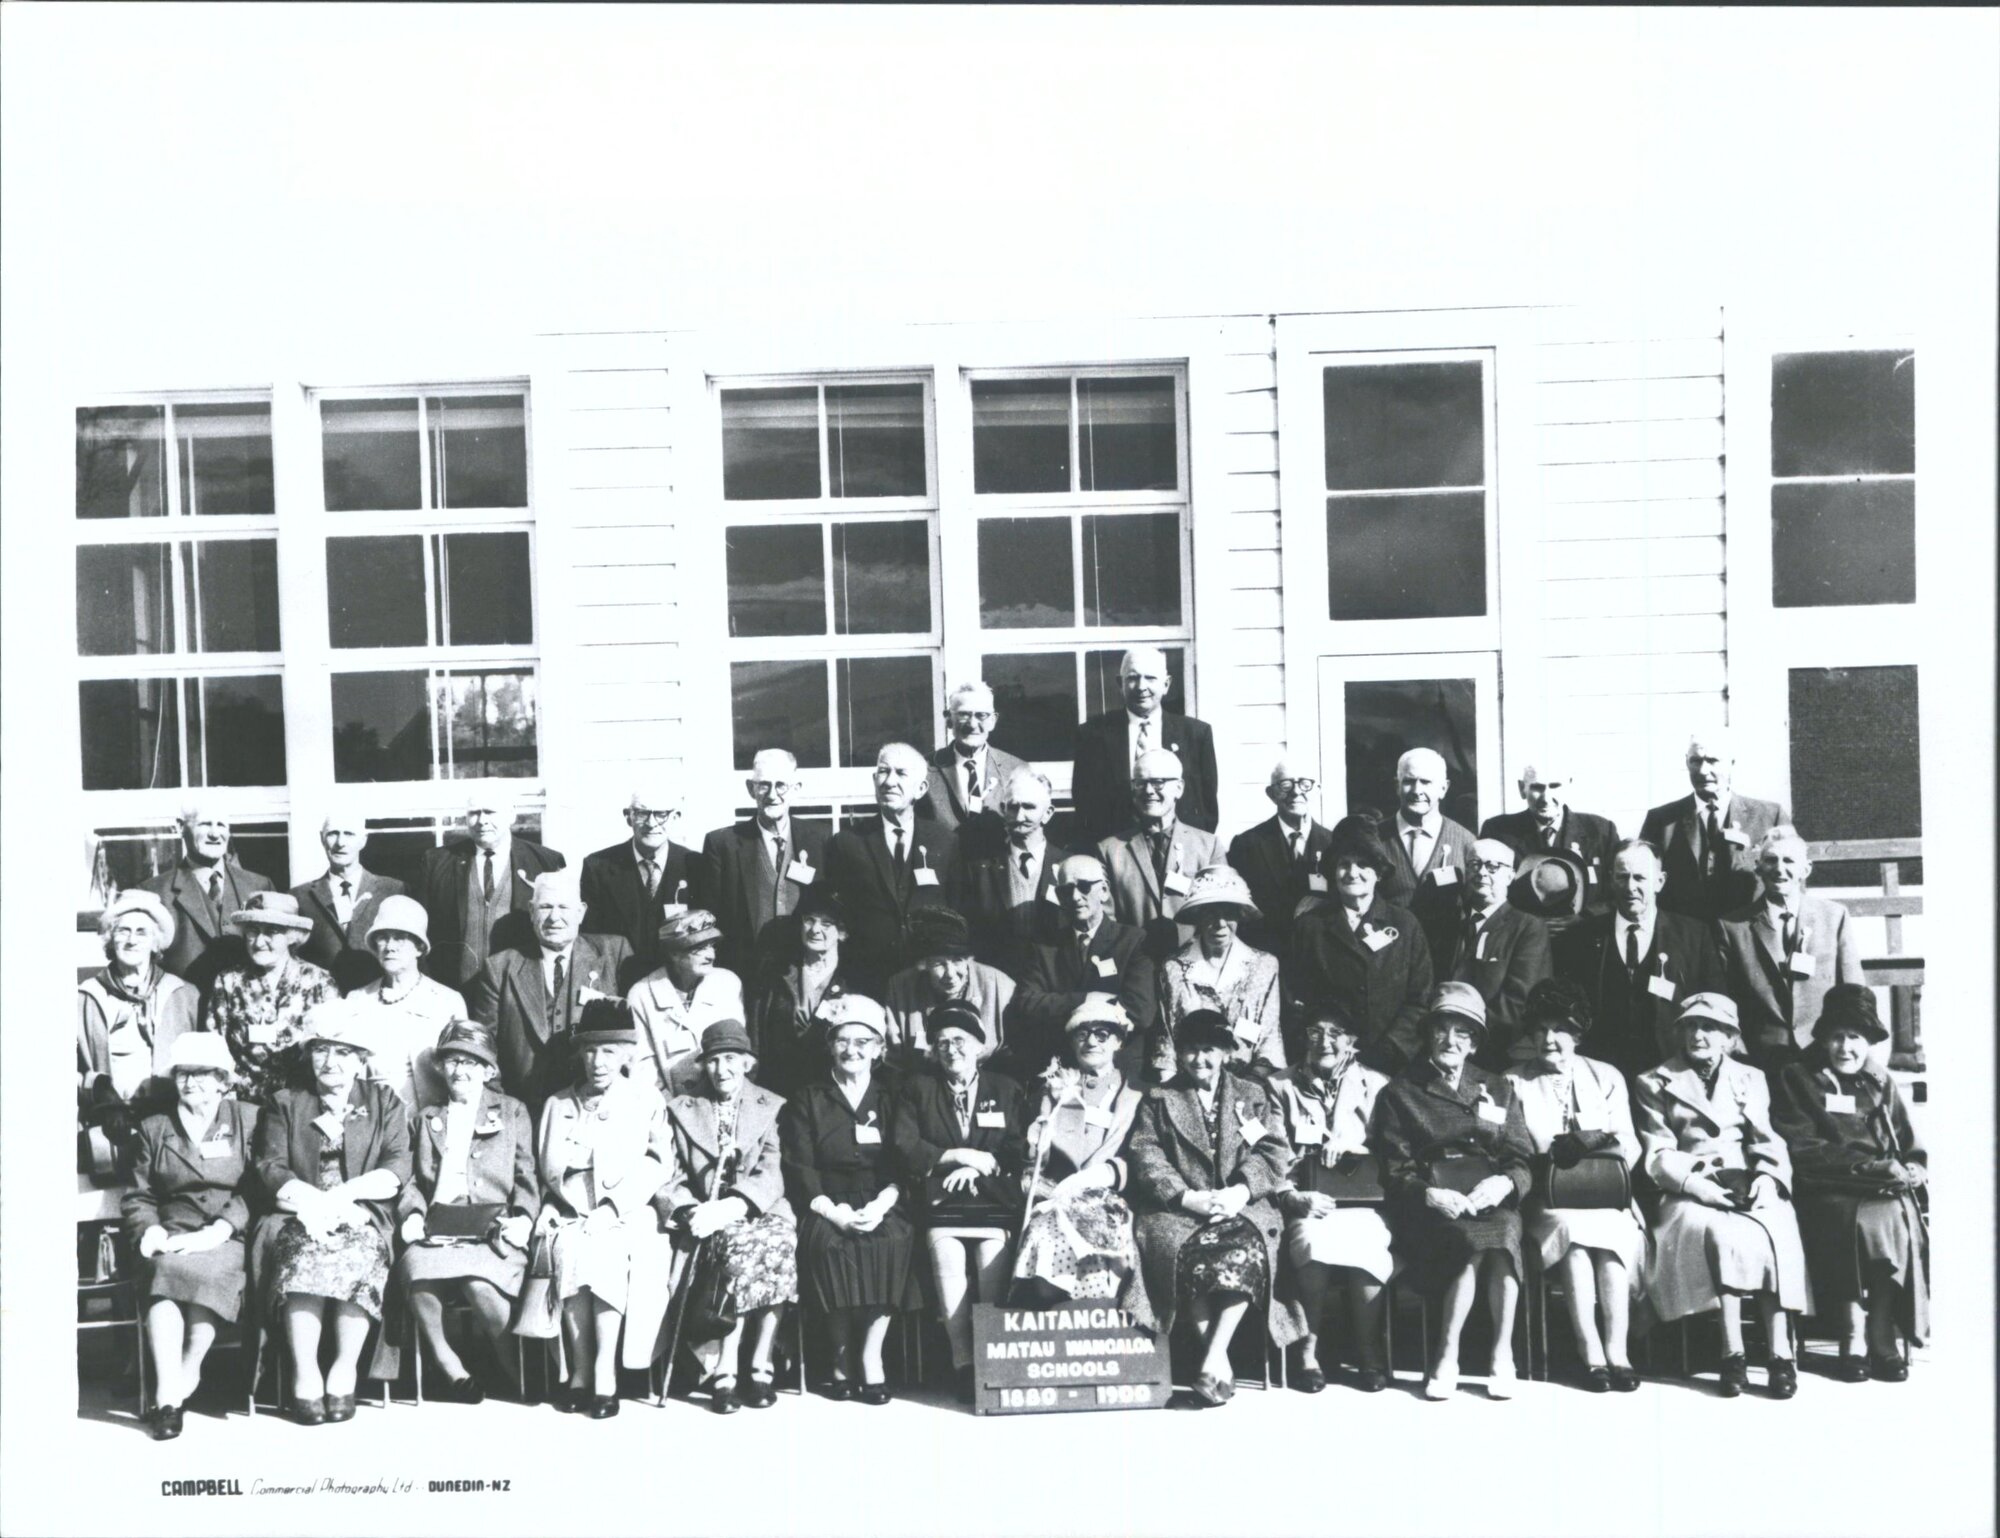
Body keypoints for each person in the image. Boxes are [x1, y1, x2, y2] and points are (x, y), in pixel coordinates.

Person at [1634, 993, 1808, 1400]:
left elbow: (1766, 1140)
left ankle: (1780, 1354)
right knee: (1716, 1233)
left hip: (1746, 1183)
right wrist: (1699, 1186)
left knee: (1775, 1227)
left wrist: (1768, 1179)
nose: (1698, 1035)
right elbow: (1657, 1152)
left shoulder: (1751, 1078)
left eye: (1710, 1027)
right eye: (1691, 1026)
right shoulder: (1654, 1080)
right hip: (1689, 1191)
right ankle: (1733, 1353)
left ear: (1730, 1038)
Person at [250, 1001, 410, 1426]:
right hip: (296, 1211)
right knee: (302, 1255)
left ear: (361, 1060)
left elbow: (396, 1165)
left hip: (362, 1212)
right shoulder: (288, 1101)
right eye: (321, 1049)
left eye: (343, 1052)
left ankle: (343, 1370)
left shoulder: (384, 1101)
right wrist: (314, 1203)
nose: (330, 1061)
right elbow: (270, 1166)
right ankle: (305, 1372)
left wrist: (346, 1198)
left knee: (359, 1253)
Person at [1128, 1010, 1297, 1409]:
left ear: (1224, 1052)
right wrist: (1187, 1197)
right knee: (1184, 1257)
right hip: (1181, 1210)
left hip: (1243, 1206)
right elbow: (1145, 1153)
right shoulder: (1159, 1098)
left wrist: (1240, 1191)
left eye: (1208, 1050)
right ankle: (1218, 1361)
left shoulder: (1252, 1094)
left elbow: (1273, 1150)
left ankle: (1212, 1357)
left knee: (1245, 1252)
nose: (1198, 1059)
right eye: (1189, 1051)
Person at [1374, 984, 1534, 1401]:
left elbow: (1520, 1157)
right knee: (1468, 1241)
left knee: (1502, 1236)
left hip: (1491, 1198)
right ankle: (1448, 1353)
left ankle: (1502, 1354)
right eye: (1442, 1030)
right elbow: (1395, 1168)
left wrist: (1505, 1183)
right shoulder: (1400, 1091)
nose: (1450, 1041)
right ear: (1428, 1036)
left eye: (1462, 1033)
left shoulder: (1498, 1087)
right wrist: (1430, 1195)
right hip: (1432, 1205)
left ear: (1475, 1042)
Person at [524, 1000, 678, 1420]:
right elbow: (542, 1168)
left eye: (609, 1050)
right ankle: (577, 1373)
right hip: (570, 1209)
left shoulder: (644, 1099)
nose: (598, 1061)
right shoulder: (558, 1103)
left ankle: (603, 1371)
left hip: (627, 1210)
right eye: (590, 1050)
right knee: (568, 1250)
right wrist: (550, 1206)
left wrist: (614, 1206)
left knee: (606, 1252)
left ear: (628, 1054)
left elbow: (658, 1163)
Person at [1770, 985, 1927, 1382]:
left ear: (1868, 1041)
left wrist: (1913, 1165)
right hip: (1828, 1187)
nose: (1845, 1047)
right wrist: (1872, 1169)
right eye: (1836, 1036)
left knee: (1894, 1218)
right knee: (1852, 1223)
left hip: (1882, 1190)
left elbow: (1907, 1141)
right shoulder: (1798, 1077)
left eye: (1854, 1037)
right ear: (1823, 1038)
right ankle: (1853, 1334)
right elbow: (1804, 1148)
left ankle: (1881, 1331)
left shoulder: (1879, 1080)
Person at [374, 1021, 537, 1402]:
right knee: (417, 1273)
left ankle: (516, 1369)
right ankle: (449, 1366)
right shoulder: (428, 1117)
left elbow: (526, 1173)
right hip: (438, 1225)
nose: (460, 1071)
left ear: (488, 1071)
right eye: (452, 1061)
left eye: (470, 1062)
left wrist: (524, 1218)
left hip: (494, 1227)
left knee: (478, 1285)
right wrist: (412, 1214)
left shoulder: (512, 1112)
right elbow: (412, 1180)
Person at [779, 995, 921, 1405]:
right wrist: (834, 1212)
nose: (852, 1050)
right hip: (825, 1201)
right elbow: (799, 1166)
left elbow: (901, 1161)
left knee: (891, 1241)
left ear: (879, 1049)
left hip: (883, 1200)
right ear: (830, 1044)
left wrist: (880, 1206)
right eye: (843, 1040)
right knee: (830, 1246)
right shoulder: (809, 1097)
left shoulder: (892, 1095)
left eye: (863, 1042)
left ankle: (870, 1356)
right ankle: (840, 1358)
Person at [1505, 980, 1645, 1393]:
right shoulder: (1513, 1081)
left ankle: (1619, 1352)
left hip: (1604, 1194)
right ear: (1530, 1035)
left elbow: (1630, 1140)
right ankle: (1592, 1353)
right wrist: (1552, 1152)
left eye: (1561, 1029)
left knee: (1615, 1235)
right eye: (1542, 1030)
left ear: (1578, 1034)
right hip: (1547, 1197)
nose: (1550, 1039)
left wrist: (1597, 1142)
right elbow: (1512, 1144)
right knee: (1575, 1237)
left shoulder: (1606, 1075)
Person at [120, 1032, 260, 1440]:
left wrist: (221, 1228)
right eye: (183, 1073)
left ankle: (187, 1372)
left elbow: (257, 1187)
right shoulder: (154, 1127)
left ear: (222, 1079)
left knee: (208, 1276)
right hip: (173, 1232)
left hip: (227, 1234)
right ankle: (169, 1397)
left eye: (202, 1073)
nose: (191, 1081)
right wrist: (150, 1229)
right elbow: (138, 1195)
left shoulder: (248, 1118)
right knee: (163, 1278)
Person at [891, 1001, 1029, 1404]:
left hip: (990, 1203)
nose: (952, 1049)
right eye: (943, 1042)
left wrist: (979, 1167)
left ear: (979, 1045)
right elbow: (905, 1144)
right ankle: (962, 1362)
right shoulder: (918, 1088)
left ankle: (991, 1359)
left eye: (961, 1040)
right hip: (941, 1205)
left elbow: (1016, 1148)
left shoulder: (1005, 1088)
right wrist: (958, 1156)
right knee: (948, 1259)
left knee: (991, 1258)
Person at [659, 1020, 798, 1414]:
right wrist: (690, 1211)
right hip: (705, 1213)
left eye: (731, 1059)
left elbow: (772, 1171)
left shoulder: (769, 1106)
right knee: (735, 1246)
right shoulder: (683, 1108)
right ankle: (726, 1366)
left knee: (780, 1241)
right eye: (715, 1061)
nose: (723, 1069)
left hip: (758, 1208)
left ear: (747, 1063)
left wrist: (735, 1205)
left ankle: (760, 1363)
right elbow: (671, 1176)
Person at [1269, 1007, 1397, 1394]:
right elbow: (1270, 1151)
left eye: (1336, 1033)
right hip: (1305, 1197)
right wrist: (1292, 1196)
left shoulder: (1376, 1085)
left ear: (1352, 1042)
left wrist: (1356, 1146)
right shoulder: (1280, 1085)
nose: (1324, 1041)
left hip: (1362, 1199)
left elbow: (1393, 1148)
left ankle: (1368, 1351)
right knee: (1312, 1240)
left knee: (1369, 1243)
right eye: (1315, 1031)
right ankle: (1308, 1351)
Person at [1008, 998, 1155, 1331]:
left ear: (1118, 1042)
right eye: (1082, 1034)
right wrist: (1037, 1147)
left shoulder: (1137, 1095)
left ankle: (1092, 1339)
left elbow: (1144, 1156)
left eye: (1102, 1034)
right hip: (1057, 1196)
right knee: (1048, 1272)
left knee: (1104, 1260)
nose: (1091, 1042)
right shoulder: (1055, 1089)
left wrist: (1108, 1173)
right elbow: (1037, 1159)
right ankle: (1070, 1340)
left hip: (1112, 1197)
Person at [1551, 839, 1725, 1082]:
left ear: (1660, 882)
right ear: (1611, 879)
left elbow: (1714, 1005)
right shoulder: (1582, 938)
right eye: (1622, 877)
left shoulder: (1694, 936)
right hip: (1599, 1075)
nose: (1630, 887)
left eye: (1640, 878)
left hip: (1674, 1074)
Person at [466, 870, 631, 1116]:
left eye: (564, 907)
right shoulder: (500, 967)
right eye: (545, 907)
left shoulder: (613, 953)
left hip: (598, 1107)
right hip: (523, 1109)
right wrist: (505, 1106)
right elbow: (484, 1046)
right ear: (531, 912)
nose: (555, 918)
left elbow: (635, 1036)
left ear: (581, 912)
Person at [1289, 812, 1433, 1075]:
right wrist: (1326, 1047)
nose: (1352, 873)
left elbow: (1420, 1000)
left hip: (1392, 1063)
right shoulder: (1311, 926)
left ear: (1378, 873)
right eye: (1344, 864)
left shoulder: (1404, 924)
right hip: (1327, 1059)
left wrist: (1389, 1050)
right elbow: (1297, 998)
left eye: (1363, 864)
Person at [1718, 827, 1864, 1071]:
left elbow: (1855, 996)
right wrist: (1740, 1056)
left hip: (1823, 1055)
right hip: (1760, 1059)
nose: (1779, 869)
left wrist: (1846, 1051)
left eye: (1789, 861)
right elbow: (1726, 1000)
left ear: (1805, 869)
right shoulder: (1733, 927)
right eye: (1771, 860)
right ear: (1758, 867)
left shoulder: (1834, 917)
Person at [822, 742, 959, 995]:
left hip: (927, 981)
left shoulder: (945, 841)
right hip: (867, 979)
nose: (889, 781)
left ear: (921, 788)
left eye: (901, 773)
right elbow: (836, 913)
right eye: (883, 772)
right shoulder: (847, 843)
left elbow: (956, 908)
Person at [1006, 854, 1157, 1080]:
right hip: (1064, 1067)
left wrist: (1061, 1005)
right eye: (1066, 891)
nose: (1076, 897)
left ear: (1104, 891)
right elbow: (1027, 1003)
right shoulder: (1045, 948)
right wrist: (1087, 998)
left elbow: (1141, 1010)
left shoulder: (1133, 941)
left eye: (1084, 887)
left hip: (1121, 1068)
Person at [413, 791, 567, 988]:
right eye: (474, 813)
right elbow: (419, 931)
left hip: (521, 991)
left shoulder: (545, 862)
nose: (482, 821)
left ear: (511, 815)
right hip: (454, 989)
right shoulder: (437, 862)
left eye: (490, 812)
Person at [697, 749, 829, 977]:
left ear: (796, 789)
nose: (772, 794)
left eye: (781, 785)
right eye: (764, 785)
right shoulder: (722, 844)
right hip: (746, 973)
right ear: (751, 789)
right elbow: (712, 918)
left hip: (806, 970)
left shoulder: (820, 838)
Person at [79, 891, 201, 1130]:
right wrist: (99, 1091)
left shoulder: (184, 994)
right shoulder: (85, 997)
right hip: (105, 1122)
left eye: (141, 932)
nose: (131, 940)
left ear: (156, 942)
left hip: (170, 1121)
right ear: (110, 940)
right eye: (123, 931)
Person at [1070, 645, 1219, 842]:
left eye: (1150, 678)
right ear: (1119, 683)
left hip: (1180, 850)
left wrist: (1194, 849)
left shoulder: (1196, 734)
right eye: (1132, 678)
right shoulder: (1092, 735)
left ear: (1166, 684)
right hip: (1115, 851)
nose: (1141, 687)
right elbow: (1083, 803)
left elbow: (1208, 806)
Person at [201, 892, 337, 1106]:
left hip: (301, 1105)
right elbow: (214, 1048)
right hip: (243, 1106)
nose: (259, 941)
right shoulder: (228, 982)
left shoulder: (318, 982)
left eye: (271, 932)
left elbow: (332, 1051)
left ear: (292, 936)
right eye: (253, 931)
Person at [1639, 730, 1787, 921]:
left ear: (1731, 763)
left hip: (1748, 936)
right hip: (1685, 939)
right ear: (1686, 762)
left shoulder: (1769, 816)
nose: (1703, 770)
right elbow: (1644, 883)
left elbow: (1792, 883)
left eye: (1712, 761)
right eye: (1696, 761)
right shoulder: (1660, 821)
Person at [1431, 838, 1553, 1065]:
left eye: (1493, 866)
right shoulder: (1445, 923)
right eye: (1475, 864)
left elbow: (1519, 1002)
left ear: (1511, 875)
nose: (1482, 872)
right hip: (1440, 1047)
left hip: (1495, 1054)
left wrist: (1465, 1038)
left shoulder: (1527, 927)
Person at [1097, 747, 1225, 960]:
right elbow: (1106, 921)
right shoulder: (1109, 850)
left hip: (1196, 965)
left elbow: (1220, 911)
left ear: (1179, 788)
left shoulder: (1208, 846)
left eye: (1158, 782)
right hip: (1135, 969)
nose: (1148, 791)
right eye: (1140, 783)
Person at [1158, 864, 1285, 1077]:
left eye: (1229, 913)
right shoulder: (1174, 967)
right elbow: (1165, 1043)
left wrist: (1248, 1090)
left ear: (1241, 916)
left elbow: (1270, 1042)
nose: (1220, 924)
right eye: (1211, 914)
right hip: (1186, 1083)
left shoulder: (1264, 965)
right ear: (1197, 916)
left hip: (1247, 1083)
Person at [350, 895, 468, 1113]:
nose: (390, 946)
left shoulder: (447, 1001)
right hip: (371, 1122)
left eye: (400, 938)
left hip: (427, 1122)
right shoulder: (357, 999)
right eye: (383, 937)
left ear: (420, 948)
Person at [140, 800, 275, 990]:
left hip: (249, 1011)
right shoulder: (154, 892)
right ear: (180, 827)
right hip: (186, 1013)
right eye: (205, 824)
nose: (214, 833)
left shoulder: (259, 885)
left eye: (221, 825)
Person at [744, 888, 859, 1100]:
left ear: (842, 932)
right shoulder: (777, 974)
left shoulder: (852, 983)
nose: (815, 929)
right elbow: (756, 1037)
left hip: (831, 1097)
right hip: (776, 1092)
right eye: (809, 920)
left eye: (826, 923)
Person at [953, 766, 1072, 970]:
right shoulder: (979, 869)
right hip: (998, 979)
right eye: (1013, 807)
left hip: (1054, 982)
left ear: (1048, 813)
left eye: (1029, 807)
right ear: (1002, 809)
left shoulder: (1068, 866)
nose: (1019, 816)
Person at [580, 786, 701, 979]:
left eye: (661, 814)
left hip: (678, 982)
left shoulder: (696, 865)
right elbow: (591, 939)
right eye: (642, 813)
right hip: (619, 982)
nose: (651, 823)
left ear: (676, 817)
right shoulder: (598, 867)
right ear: (628, 817)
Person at [1479, 763, 1621, 921]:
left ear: (1568, 785)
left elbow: (1620, 893)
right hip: (1520, 938)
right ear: (1522, 788)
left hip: (1583, 937)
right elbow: (1483, 891)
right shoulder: (1498, 831)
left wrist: (1584, 918)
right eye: (1537, 787)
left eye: (1555, 786)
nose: (1546, 798)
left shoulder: (1600, 831)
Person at [883, 906, 1015, 1076]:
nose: (950, 974)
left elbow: (1013, 1051)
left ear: (969, 959)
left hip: (986, 1082)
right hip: (922, 1084)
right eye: (939, 964)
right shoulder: (900, 987)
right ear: (924, 965)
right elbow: (894, 1057)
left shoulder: (998, 984)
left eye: (957, 961)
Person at [628, 908, 745, 1097]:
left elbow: (738, 1051)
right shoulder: (641, 995)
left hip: (725, 1099)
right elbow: (643, 1069)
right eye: (699, 948)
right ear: (674, 953)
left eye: (712, 946)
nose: (711, 956)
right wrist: (675, 1111)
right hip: (669, 1108)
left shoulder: (728, 983)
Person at [1226, 756, 1335, 959]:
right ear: (1271, 793)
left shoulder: (1333, 843)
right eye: (1286, 784)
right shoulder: (1247, 844)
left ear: (1316, 789)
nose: (1296, 791)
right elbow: (1239, 910)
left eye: (1305, 783)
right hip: (1267, 956)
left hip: (1322, 957)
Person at [1376, 748, 1479, 957]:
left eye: (1426, 782)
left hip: (1444, 959)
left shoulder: (1466, 842)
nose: (1416, 790)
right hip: (1386, 956)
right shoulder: (1375, 838)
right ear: (1397, 786)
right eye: (1408, 781)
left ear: (1443, 788)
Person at [290, 810, 405, 993]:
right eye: (333, 834)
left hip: (378, 1001)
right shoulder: (299, 897)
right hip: (322, 1003)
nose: (340, 843)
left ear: (363, 840)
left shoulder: (393, 891)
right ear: (322, 838)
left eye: (349, 834)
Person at [917, 681, 1029, 856]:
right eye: (963, 715)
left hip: (998, 873)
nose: (972, 724)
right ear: (948, 719)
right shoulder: (923, 768)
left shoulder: (1017, 769)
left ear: (993, 721)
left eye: (981, 715)